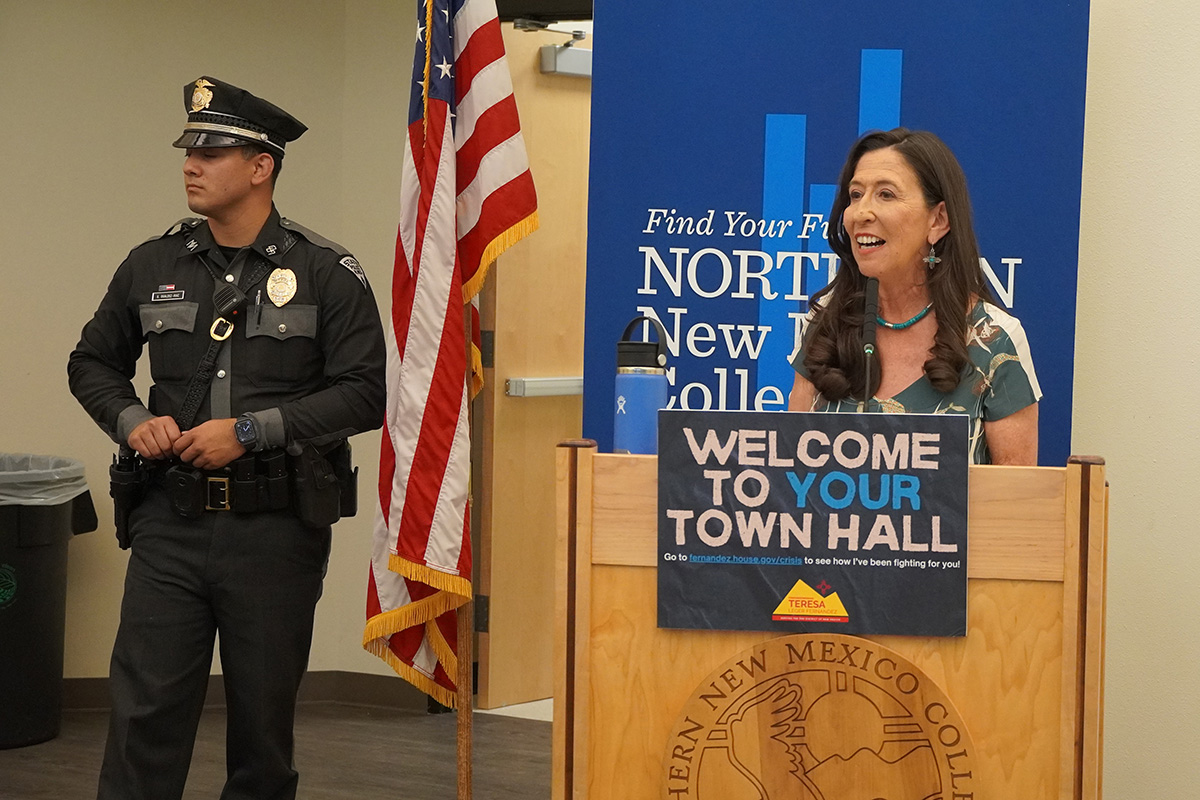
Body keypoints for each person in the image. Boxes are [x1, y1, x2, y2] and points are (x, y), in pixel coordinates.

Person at [67, 76, 386, 799]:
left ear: (261, 166)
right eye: (189, 152)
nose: (191, 165)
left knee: (262, 734)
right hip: (168, 523)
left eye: (210, 153)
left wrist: (249, 432)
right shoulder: (153, 263)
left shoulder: (324, 271)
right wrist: (132, 420)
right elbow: (92, 362)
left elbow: (365, 393)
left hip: (275, 530)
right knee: (142, 716)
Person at [788, 128, 1040, 465]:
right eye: (856, 194)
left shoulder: (994, 342)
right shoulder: (825, 325)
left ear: (938, 220)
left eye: (886, 194)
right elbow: (790, 473)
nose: (861, 213)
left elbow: (1017, 494)